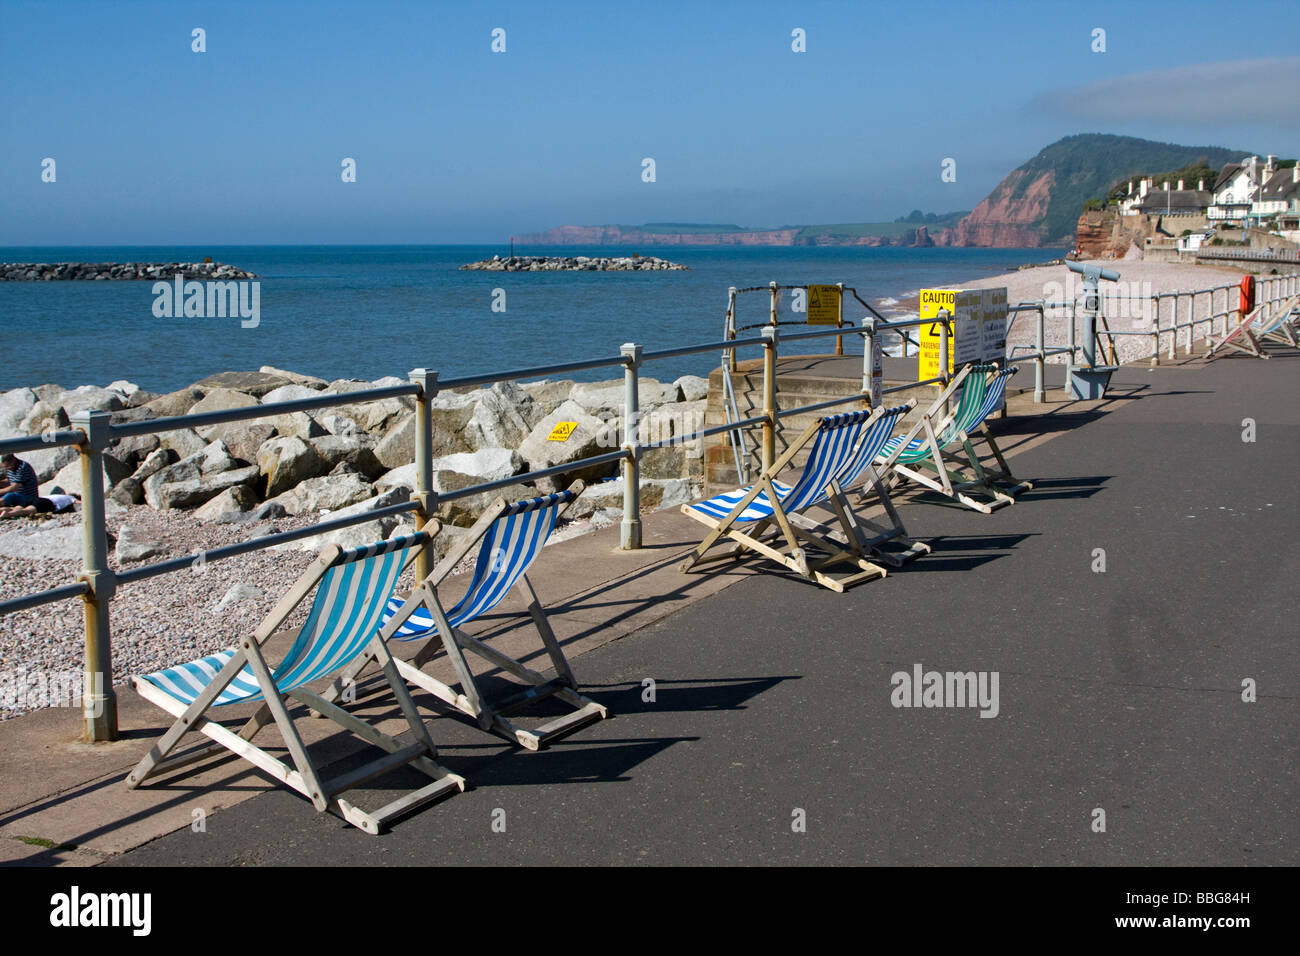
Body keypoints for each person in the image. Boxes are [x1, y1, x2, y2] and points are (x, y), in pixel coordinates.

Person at [0, 492, 79, 519]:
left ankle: (4, 511)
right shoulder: (71, 498)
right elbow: (81, 502)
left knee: (14, 508)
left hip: (37, 498)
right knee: (27, 511)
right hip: (47, 502)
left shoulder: (58, 495)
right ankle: (8, 514)